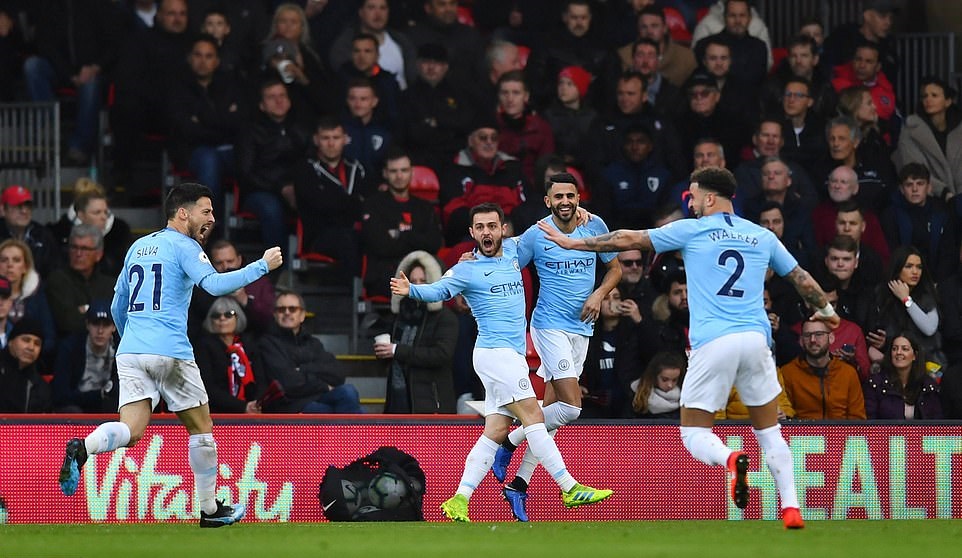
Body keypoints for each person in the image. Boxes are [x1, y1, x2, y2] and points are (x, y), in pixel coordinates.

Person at [538, 166, 842, 529]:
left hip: (714, 342)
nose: (691, 202)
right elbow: (800, 278)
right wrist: (826, 309)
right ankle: (791, 508)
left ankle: (730, 459)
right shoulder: (761, 235)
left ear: (710, 198)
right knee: (769, 430)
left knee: (694, 432)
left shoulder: (692, 230)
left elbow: (626, 239)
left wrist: (574, 243)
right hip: (757, 340)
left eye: (694, 196)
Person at [56, 182, 283, 529]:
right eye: (205, 211)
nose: (212, 217)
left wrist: (130, 339)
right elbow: (215, 285)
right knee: (201, 427)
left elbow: (119, 303)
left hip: (131, 351)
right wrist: (261, 267)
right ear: (182, 213)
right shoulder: (185, 245)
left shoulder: (138, 246)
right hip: (171, 351)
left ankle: (84, 447)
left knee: (131, 431)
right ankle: (209, 510)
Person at [391, 202, 613, 522]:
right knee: (534, 416)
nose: (486, 232)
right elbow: (440, 290)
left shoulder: (513, 250)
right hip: (495, 354)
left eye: (492, 226)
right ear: (472, 233)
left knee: (495, 430)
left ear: (503, 229)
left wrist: (583, 215)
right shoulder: (466, 268)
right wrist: (411, 289)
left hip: (510, 355)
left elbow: (547, 225)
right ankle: (568, 486)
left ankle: (459, 498)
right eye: (480, 227)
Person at [490, 174, 621, 522]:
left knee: (551, 417)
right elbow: (503, 259)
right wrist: (474, 259)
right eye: (557, 196)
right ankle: (508, 442)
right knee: (572, 407)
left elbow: (616, 269)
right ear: (547, 201)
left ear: (579, 197)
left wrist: (598, 294)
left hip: (583, 329)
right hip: (549, 326)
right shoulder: (537, 234)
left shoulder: (596, 226)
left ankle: (519, 483)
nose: (564, 201)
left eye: (570, 195)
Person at [255, 290, 363, 414]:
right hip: (289, 405)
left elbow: (338, 373)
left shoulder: (313, 343)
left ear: (302, 315)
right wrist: (323, 386)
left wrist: (303, 369)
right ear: (275, 315)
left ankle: (343, 433)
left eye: (292, 309)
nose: (286, 313)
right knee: (358, 413)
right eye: (281, 309)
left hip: (316, 398)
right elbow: (290, 383)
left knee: (348, 391)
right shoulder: (267, 343)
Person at [376, 252, 457, 413]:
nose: (417, 286)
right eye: (413, 282)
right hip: (398, 399)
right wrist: (384, 352)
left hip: (432, 403)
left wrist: (396, 350)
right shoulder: (400, 315)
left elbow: (441, 354)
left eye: (423, 281)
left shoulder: (445, 317)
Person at [361, 148, 443, 299]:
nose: (399, 176)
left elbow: (434, 243)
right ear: (385, 173)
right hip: (386, 276)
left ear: (411, 172)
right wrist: (417, 238)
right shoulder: (372, 205)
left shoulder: (425, 207)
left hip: (423, 270)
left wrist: (401, 235)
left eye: (404, 170)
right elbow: (381, 246)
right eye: (393, 171)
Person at [863, 245, 943, 369]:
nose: (915, 272)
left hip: (926, 362)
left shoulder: (927, 295)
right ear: (897, 268)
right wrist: (884, 343)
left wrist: (906, 300)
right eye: (909, 266)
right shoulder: (881, 295)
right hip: (892, 360)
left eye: (919, 267)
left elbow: (929, 328)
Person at [779, 319, 866, 420]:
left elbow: (858, 419)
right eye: (807, 335)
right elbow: (787, 415)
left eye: (819, 334)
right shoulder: (788, 372)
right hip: (803, 434)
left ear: (831, 338)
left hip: (840, 434)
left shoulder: (848, 373)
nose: (812, 340)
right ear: (801, 341)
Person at [894, 77, 962, 200]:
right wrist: (943, 192)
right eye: (924, 96)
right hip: (929, 199)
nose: (928, 100)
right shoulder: (911, 128)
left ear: (947, 101)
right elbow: (913, 167)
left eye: (934, 95)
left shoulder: (959, 129)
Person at [48, 178, 132, 278]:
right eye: (97, 212)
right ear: (80, 215)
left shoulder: (119, 234)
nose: (103, 217)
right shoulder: (59, 234)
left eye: (105, 212)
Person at [44, 225, 115, 338]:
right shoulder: (57, 280)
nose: (78, 254)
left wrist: (84, 310)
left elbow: (115, 322)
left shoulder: (110, 285)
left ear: (98, 254)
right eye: (74, 247)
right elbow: (66, 322)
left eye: (85, 249)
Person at [194, 296, 261, 414]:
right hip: (217, 414)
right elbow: (208, 388)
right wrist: (242, 407)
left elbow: (261, 379)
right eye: (216, 316)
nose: (222, 318)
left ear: (237, 317)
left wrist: (257, 403)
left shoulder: (248, 345)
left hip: (252, 411)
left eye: (228, 314)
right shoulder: (204, 347)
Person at [51, 300, 118, 413]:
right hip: (76, 408)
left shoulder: (121, 350)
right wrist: (100, 395)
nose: (100, 331)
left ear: (114, 327)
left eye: (106, 325)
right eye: (95, 324)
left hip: (106, 409)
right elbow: (60, 395)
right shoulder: (69, 348)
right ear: (87, 324)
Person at [0, 238, 57, 367]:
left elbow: (49, 338)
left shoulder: (37, 296)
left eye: (16, 260)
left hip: (29, 366)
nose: (10, 265)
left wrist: (29, 352)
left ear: (25, 267)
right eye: (4, 260)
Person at [863, 333, 943, 419]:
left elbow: (936, 422)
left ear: (914, 356)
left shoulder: (927, 385)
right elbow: (870, 422)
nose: (898, 352)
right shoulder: (876, 383)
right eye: (894, 349)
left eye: (905, 349)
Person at [0, 184, 61, 277]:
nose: (24, 211)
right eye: (18, 206)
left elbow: (54, 273)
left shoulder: (44, 236)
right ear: (3, 210)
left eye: (28, 206)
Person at [0, 318, 49, 413]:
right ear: (10, 342)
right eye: (26, 340)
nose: (31, 347)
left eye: (37, 343)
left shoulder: (40, 386)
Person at [629, 351, 686, 418]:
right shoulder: (637, 397)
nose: (670, 385)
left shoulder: (686, 399)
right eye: (664, 380)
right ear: (653, 376)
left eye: (674, 380)